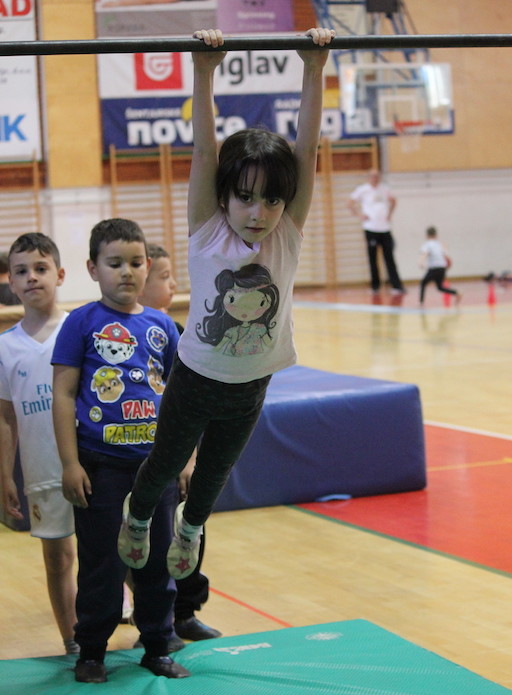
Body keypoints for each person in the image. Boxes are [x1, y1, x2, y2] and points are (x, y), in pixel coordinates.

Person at [117, 26, 335, 579]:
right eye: (245, 198)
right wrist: (203, 70)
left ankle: (191, 529)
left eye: (272, 200)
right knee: (165, 464)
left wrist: (314, 69)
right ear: (224, 197)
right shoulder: (207, 229)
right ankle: (138, 513)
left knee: (213, 475)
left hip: (253, 383)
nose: (259, 213)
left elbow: (306, 150)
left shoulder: (287, 233)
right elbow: (203, 149)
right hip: (195, 378)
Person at [51, 217, 190, 683]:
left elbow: (181, 398)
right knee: (102, 564)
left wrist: (186, 459)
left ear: (148, 265)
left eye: (135, 262)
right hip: (101, 468)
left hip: (156, 469)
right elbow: (63, 394)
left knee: (156, 561)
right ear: (93, 268)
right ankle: (92, 651)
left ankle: (158, 645)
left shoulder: (162, 326)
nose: (126, 272)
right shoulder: (81, 323)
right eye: (115, 263)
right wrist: (70, 463)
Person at [138, 243, 222, 642]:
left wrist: (189, 461)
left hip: (177, 456)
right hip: (138, 457)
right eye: (164, 277)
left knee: (188, 531)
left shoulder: (179, 335)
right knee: (144, 541)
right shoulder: (124, 335)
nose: (173, 285)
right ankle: (152, 616)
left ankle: (185, 611)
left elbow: (192, 405)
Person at [0, 233, 78, 656]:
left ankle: (144, 626)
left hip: (88, 464)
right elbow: (5, 418)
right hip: (42, 469)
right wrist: (5, 476)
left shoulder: (78, 330)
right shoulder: (5, 347)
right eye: (22, 271)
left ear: (59, 275)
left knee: (115, 551)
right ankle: (72, 640)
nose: (32, 277)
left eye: (41, 268)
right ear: (10, 282)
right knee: (57, 558)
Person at [348, 168, 405, 295]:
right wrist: (359, 215)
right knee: (373, 259)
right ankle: (375, 286)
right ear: (369, 177)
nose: (375, 178)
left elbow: (393, 201)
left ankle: (397, 286)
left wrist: (390, 214)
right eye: (373, 176)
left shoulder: (384, 188)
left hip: (385, 229)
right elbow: (350, 203)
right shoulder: (363, 190)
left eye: (377, 176)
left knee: (389, 258)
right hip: (371, 228)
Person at [419, 226, 461, 306]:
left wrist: (421, 262)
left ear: (427, 235)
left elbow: (425, 254)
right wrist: (447, 266)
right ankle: (457, 293)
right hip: (442, 268)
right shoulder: (440, 244)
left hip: (434, 268)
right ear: (436, 235)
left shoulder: (427, 244)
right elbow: (447, 257)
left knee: (423, 283)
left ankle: (421, 302)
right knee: (440, 287)